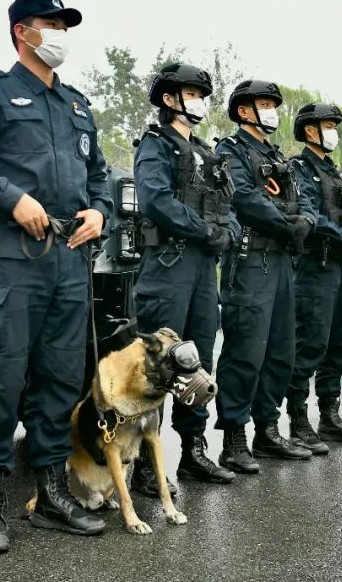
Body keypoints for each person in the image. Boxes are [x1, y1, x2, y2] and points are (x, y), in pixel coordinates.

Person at [0, 0, 112, 554]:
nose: (60, 32)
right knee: (3, 380)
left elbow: (100, 177)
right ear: (22, 32)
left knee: (60, 380)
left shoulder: (78, 106)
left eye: (65, 25)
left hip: (69, 260)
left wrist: (100, 211)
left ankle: (51, 493)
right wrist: (12, 198)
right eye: (51, 24)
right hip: (14, 259)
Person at [129, 63, 239, 496]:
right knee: (158, 364)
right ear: (169, 99)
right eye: (189, 93)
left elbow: (227, 205)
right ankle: (141, 464)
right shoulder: (156, 146)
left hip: (202, 270)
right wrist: (205, 230)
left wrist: (225, 232)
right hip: (169, 266)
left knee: (200, 359)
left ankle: (193, 451)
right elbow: (155, 200)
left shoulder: (209, 156)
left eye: (200, 93)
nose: (197, 100)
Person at [214, 80, 317, 473]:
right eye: (263, 104)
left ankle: (268, 430)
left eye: (273, 104)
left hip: (282, 264)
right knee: (246, 350)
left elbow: (304, 198)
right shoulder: (231, 151)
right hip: (250, 260)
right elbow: (244, 197)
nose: (272, 110)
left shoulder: (278, 156)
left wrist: (305, 219)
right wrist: (286, 223)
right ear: (244, 111)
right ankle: (234, 438)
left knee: (280, 350)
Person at [286, 103, 342, 451]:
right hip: (312, 269)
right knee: (310, 346)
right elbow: (309, 215)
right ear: (310, 130)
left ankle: (330, 416)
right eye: (327, 125)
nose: (333, 130)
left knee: (339, 347)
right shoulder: (300, 168)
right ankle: (298, 420)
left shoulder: (333, 173)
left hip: (338, 269)